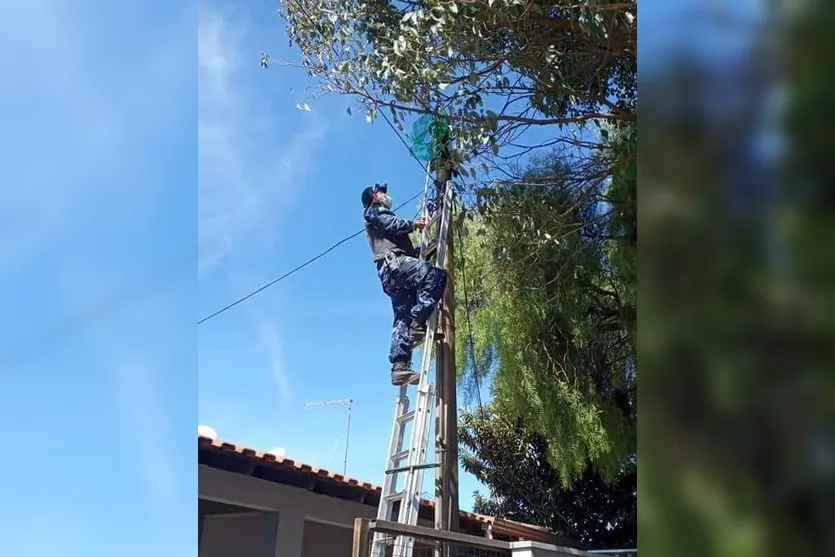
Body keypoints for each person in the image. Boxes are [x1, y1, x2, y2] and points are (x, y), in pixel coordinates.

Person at [361, 183, 448, 386]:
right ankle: (418, 324)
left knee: (402, 318)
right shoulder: (374, 211)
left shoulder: (378, 223)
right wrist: (414, 224)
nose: (386, 195)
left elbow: (403, 248)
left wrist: (426, 249)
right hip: (395, 266)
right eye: (382, 192)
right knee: (435, 276)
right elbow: (392, 224)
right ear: (374, 196)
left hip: (391, 272)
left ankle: (400, 367)